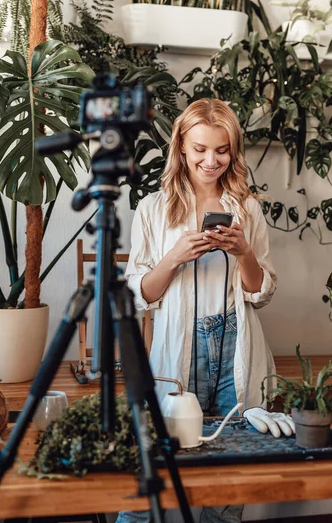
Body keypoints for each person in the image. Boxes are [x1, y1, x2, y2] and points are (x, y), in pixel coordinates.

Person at [117, 98, 278, 523]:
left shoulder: (249, 209)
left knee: (229, 478)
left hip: (234, 347)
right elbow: (142, 295)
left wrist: (244, 252)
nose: (212, 160)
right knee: (158, 462)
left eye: (222, 150)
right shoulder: (153, 208)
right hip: (181, 346)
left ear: (233, 150)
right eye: (201, 149)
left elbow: (260, 292)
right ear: (182, 149)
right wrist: (173, 257)